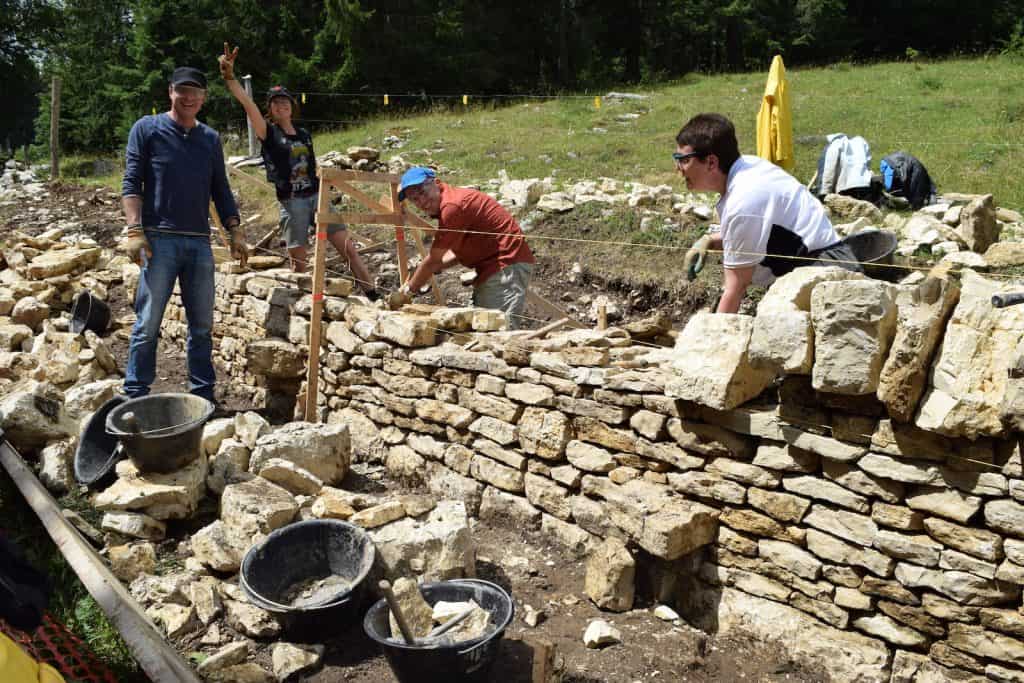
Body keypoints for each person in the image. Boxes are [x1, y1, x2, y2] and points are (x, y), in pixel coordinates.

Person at [120, 65, 247, 403]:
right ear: (171, 92)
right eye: (182, 91)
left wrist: (235, 229)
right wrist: (134, 230)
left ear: (203, 98)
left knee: (202, 325)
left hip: (199, 242)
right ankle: (136, 394)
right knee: (148, 322)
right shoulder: (147, 129)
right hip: (158, 239)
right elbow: (131, 182)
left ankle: (202, 394)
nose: (188, 98)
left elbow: (220, 188)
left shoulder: (210, 139)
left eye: (195, 92)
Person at [218, 43, 378, 298]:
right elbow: (248, 104)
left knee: (348, 247)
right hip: (292, 202)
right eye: (275, 102)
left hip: (317, 197)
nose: (281, 105)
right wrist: (230, 77)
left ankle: (372, 293)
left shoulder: (304, 134)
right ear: (270, 109)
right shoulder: (268, 133)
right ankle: (303, 305)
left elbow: (312, 166)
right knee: (299, 262)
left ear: (292, 106)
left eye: (285, 101)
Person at [677, 113, 861, 313]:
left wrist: (715, 330)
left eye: (684, 160)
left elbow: (736, 287)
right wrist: (710, 241)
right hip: (824, 262)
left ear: (711, 162)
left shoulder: (743, 200)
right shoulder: (747, 167)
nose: (678, 169)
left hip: (827, 280)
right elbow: (760, 231)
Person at [388, 167, 535, 329]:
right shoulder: (452, 203)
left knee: (499, 330)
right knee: (483, 328)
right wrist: (429, 270)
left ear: (436, 183)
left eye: (422, 192)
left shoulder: (452, 207)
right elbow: (454, 254)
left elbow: (433, 260)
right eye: (414, 199)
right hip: (495, 268)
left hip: (506, 265)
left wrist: (408, 291)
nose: (421, 202)